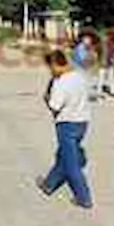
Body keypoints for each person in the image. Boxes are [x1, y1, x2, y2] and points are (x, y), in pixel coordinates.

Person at [36, 49, 93, 209]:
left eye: (50, 67)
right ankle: (49, 184)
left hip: (67, 123)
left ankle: (84, 197)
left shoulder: (61, 82)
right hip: (83, 122)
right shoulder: (80, 76)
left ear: (55, 65)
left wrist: (47, 99)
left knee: (71, 163)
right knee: (64, 155)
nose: (50, 71)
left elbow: (55, 106)